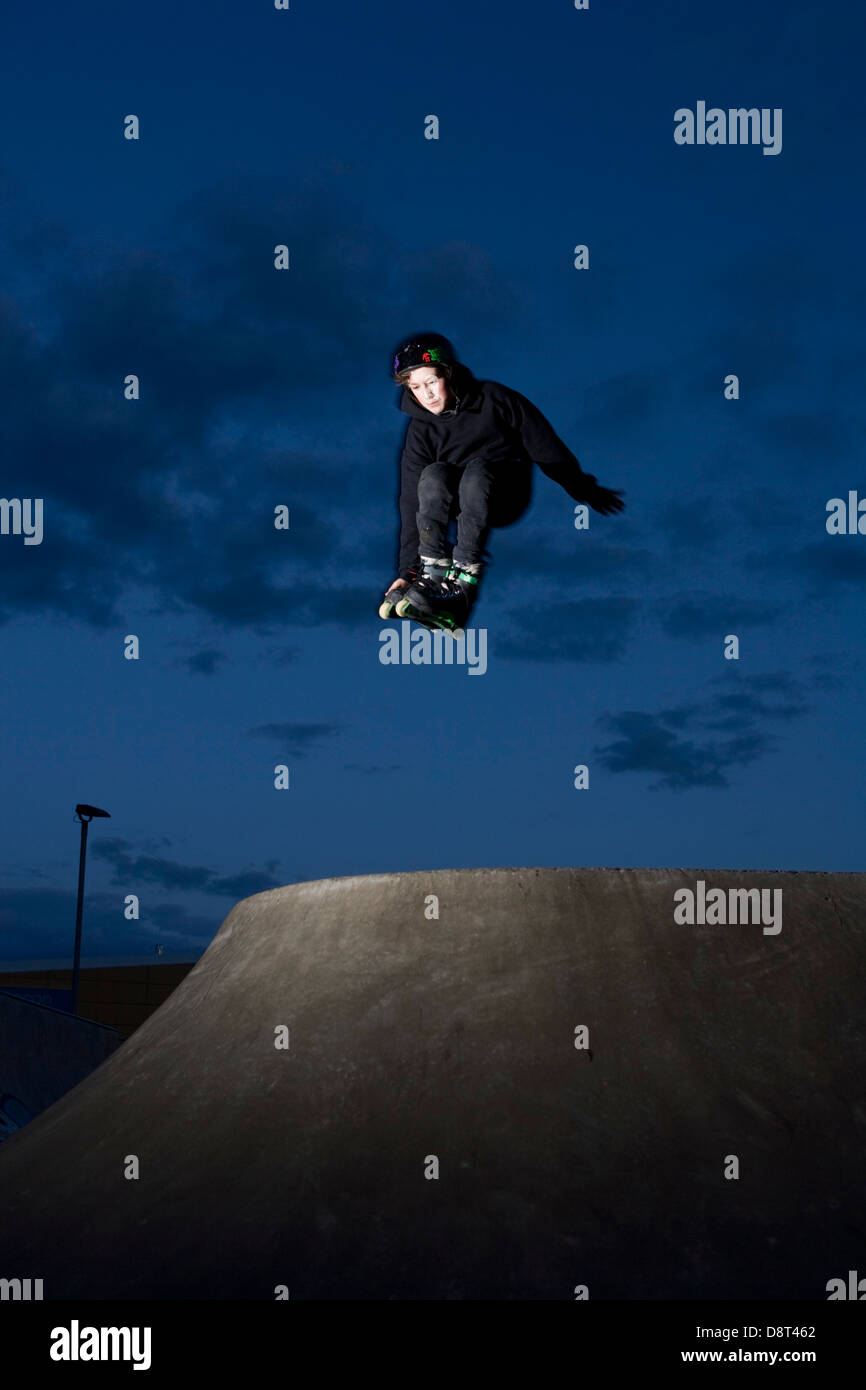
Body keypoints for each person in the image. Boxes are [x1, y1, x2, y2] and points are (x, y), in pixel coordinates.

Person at [379, 334, 625, 628]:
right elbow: (410, 499)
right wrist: (408, 571)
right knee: (432, 476)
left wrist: (583, 488)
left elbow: (545, 447)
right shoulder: (420, 431)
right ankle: (432, 579)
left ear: (448, 372)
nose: (427, 395)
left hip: (506, 492)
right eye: (416, 387)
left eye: (432, 382)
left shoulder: (495, 398)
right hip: (460, 503)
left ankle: (463, 586)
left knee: (477, 471)